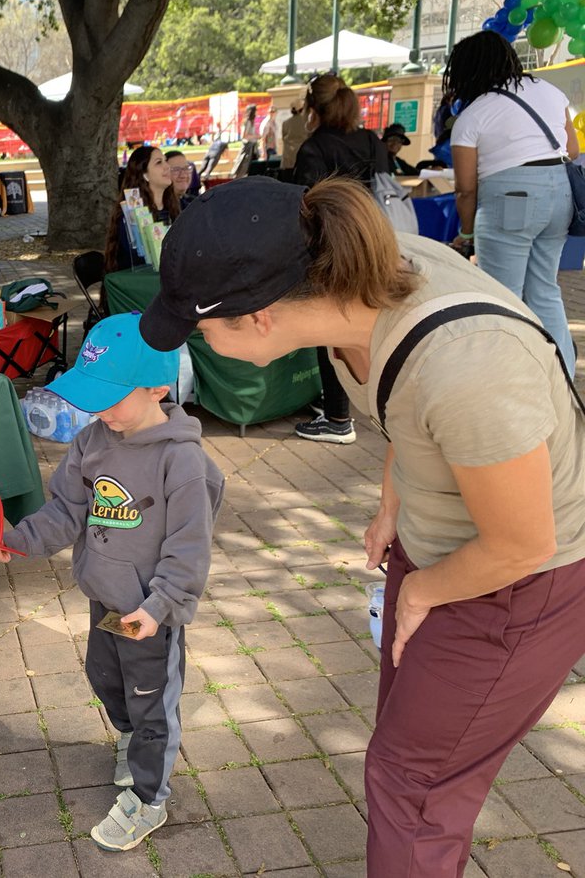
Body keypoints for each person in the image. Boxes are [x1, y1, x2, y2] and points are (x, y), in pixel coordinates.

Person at [139, 176, 585, 877]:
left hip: (521, 581)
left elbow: (522, 543)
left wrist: (422, 590)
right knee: (404, 759)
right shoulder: (352, 290)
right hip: (445, 550)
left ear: (258, 319)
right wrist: (392, 503)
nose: (193, 347)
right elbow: (405, 414)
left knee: (412, 786)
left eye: (200, 330)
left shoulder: (471, 365)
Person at [0, 312, 224, 853]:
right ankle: (131, 735)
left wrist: (161, 607)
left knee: (152, 703)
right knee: (105, 679)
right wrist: (19, 540)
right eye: (91, 393)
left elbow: (190, 548)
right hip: (105, 599)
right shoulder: (92, 440)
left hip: (149, 615)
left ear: (158, 385)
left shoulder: (183, 463)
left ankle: (149, 798)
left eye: (110, 394)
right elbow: (66, 509)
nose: (96, 407)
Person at [446, 30, 578, 370]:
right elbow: (573, 150)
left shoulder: (474, 115)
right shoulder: (550, 91)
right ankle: (561, 375)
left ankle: (507, 376)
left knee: (502, 296)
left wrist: (467, 231)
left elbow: (465, 188)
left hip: (508, 201)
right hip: (561, 193)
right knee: (545, 289)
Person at [291, 74, 390, 445]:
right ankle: (369, 406)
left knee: (331, 331)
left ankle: (337, 416)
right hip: (375, 242)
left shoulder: (313, 148)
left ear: (313, 108)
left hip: (331, 250)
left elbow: (304, 207)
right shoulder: (370, 141)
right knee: (369, 326)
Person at [105, 145, 179, 271]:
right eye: (159, 162)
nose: (167, 166)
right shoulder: (130, 214)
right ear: (145, 175)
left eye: (165, 160)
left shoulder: (174, 207)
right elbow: (139, 259)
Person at [278, 101, 309, 183]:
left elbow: (283, 138)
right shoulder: (307, 122)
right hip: (303, 158)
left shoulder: (285, 123)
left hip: (288, 160)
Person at [230, 104, 259, 178]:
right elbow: (244, 135)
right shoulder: (247, 122)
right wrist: (256, 136)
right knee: (243, 165)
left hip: (252, 147)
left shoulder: (251, 122)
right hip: (248, 148)